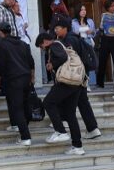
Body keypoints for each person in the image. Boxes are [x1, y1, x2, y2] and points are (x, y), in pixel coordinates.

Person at [34, 26, 84, 155]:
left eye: (41, 46)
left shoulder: (54, 45)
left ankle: (60, 131)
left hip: (66, 82)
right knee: (70, 114)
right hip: (76, 83)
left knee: (48, 102)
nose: (42, 49)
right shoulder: (63, 43)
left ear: (45, 41)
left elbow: (62, 58)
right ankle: (77, 146)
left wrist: (52, 64)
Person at [0, 21, 33, 145]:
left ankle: (25, 137)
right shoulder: (22, 43)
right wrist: (32, 78)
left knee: (17, 108)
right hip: (26, 78)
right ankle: (22, 127)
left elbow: (1, 64)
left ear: (1, 32)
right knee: (25, 105)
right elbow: (31, 62)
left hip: (13, 79)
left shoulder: (2, 45)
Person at [96, 0, 114, 89]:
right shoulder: (104, 15)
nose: (113, 8)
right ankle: (100, 83)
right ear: (107, 7)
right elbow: (101, 27)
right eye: (111, 6)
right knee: (102, 60)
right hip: (105, 39)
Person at [72, 3, 96, 86]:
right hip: (78, 42)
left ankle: (90, 82)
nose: (84, 11)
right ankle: (81, 81)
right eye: (82, 10)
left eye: (85, 10)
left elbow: (94, 33)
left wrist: (91, 32)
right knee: (80, 62)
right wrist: (78, 32)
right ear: (78, 11)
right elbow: (72, 33)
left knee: (89, 62)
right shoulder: (73, 22)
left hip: (88, 42)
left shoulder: (90, 21)